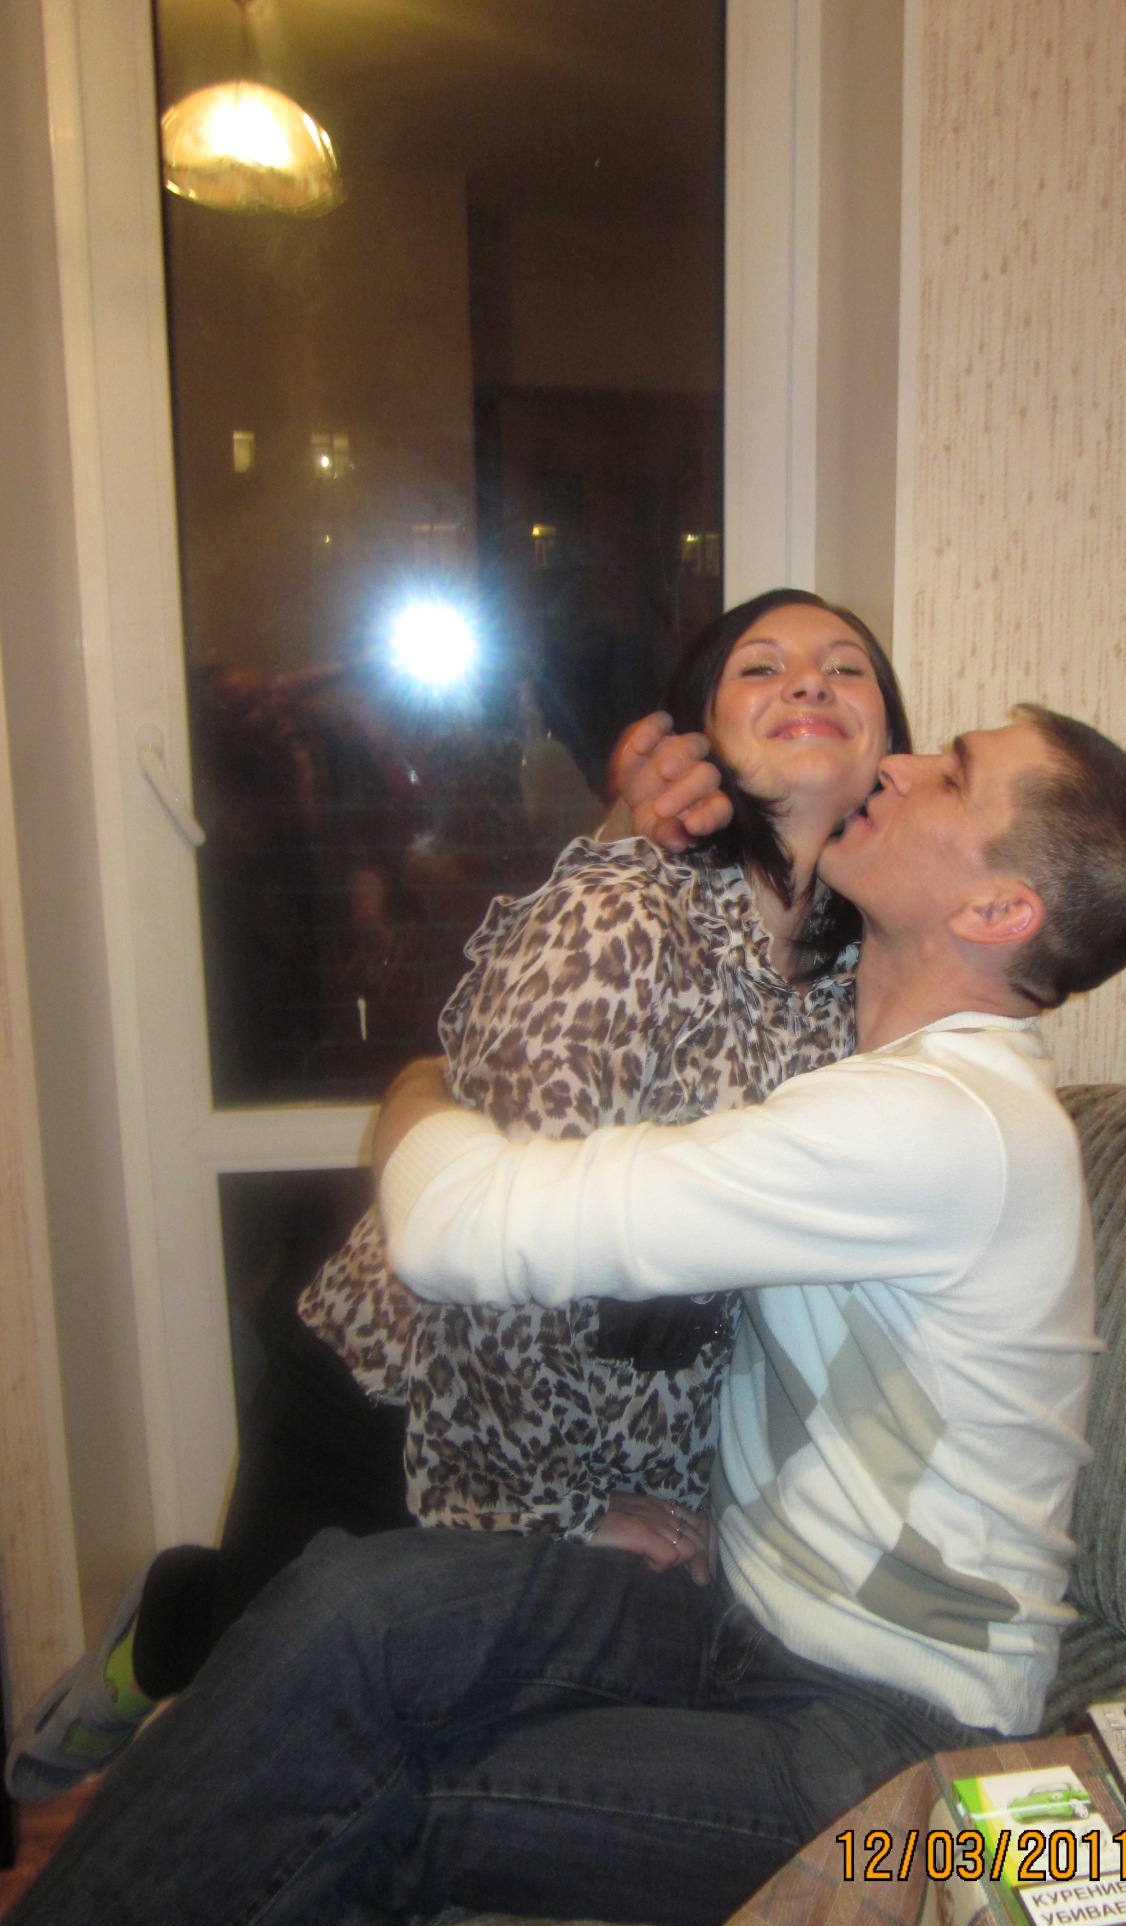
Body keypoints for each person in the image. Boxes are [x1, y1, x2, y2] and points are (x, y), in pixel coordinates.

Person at [0, 705, 1126, 1926]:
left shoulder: (946, 1129)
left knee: (369, 1798)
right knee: (352, 1605)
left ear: (1000, 909)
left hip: (888, 1748)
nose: (903, 764)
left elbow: (465, 1231)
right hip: (740, 1623)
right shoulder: (871, 1078)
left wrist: (418, 1096)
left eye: (953, 775)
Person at [5, 591, 909, 1802]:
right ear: (696, 742)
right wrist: (559, 1508)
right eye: (762, 666)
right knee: (255, 1733)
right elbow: (495, 1263)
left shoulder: (858, 987)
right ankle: (171, 1623)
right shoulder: (622, 919)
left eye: (847, 667)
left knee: (383, 1770)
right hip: (404, 1406)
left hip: (608, 1446)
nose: (809, 681)